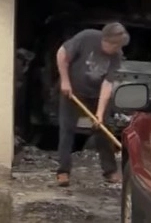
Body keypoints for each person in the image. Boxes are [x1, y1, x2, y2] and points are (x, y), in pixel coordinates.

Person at [55, 22, 129, 187]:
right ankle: (63, 172)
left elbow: (107, 85)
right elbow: (62, 54)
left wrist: (100, 114)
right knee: (67, 129)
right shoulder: (86, 37)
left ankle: (110, 171)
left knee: (102, 129)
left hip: (96, 95)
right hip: (73, 91)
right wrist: (65, 82)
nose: (116, 49)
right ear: (106, 41)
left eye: (119, 46)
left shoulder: (116, 56)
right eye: (115, 45)